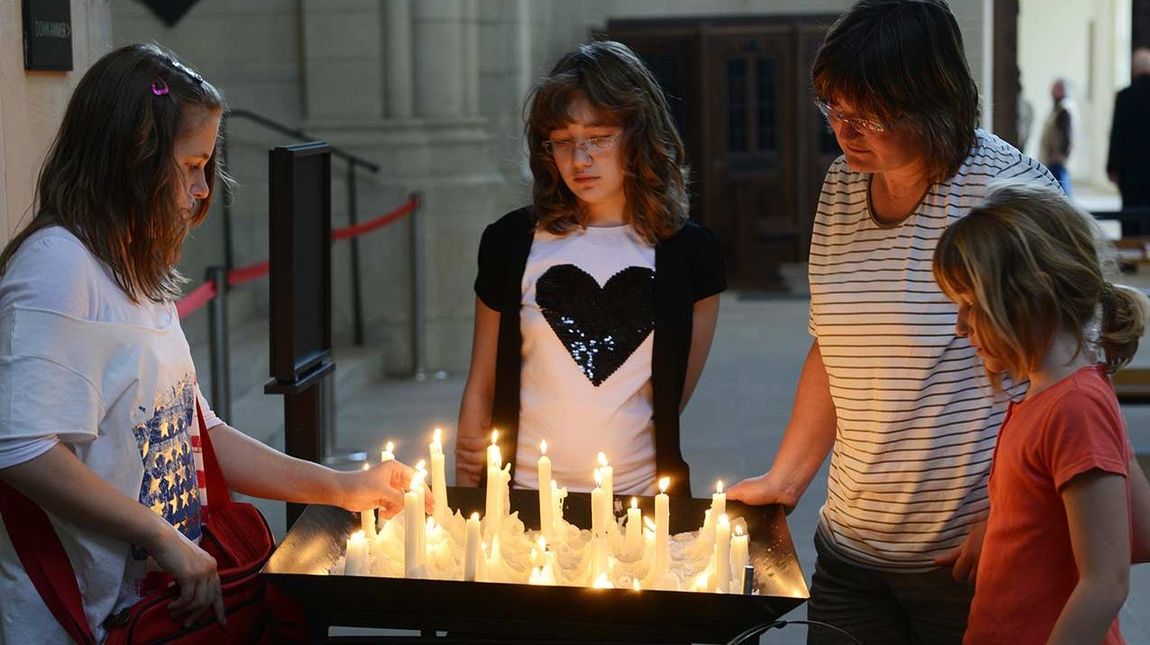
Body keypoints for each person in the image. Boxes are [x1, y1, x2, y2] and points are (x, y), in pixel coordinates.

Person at [0, 43, 425, 643]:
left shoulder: (130, 266)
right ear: (132, 158)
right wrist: (158, 535)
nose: (203, 190)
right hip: (80, 620)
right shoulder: (56, 266)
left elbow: (202, 433)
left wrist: (344, 487)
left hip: (156, 608)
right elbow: (20, 448)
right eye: (192, 164)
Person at [726, 1, 1059, 642]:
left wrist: (1018, 515)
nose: (845, 133)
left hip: (971, 556)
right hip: (852, 553)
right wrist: (786, 479)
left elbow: (1067, 375)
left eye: (869, 116)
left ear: (934, 103)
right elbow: (835, 346)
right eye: (833, 109)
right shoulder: (842, 186)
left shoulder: (1008, 194)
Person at [454, 40, 725, 497]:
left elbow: (671, 398)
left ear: (639, 136)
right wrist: (466, 495)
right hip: (522, 501)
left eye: (598, 138)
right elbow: (481, 383)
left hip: (641, 503)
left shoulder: (692, 254)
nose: (579, 161)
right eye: (563, 142)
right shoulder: (510, 242)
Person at [932, 181, 1150, 644]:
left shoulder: (1074, 407)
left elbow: (1105, 582)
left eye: (972, 306)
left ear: (1032, 293)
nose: (960, 325)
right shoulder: (1057, 394)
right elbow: (1141, 530)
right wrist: (1010, 530)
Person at [1108, 48, 1150, 232]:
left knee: (1131, 217)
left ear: (1134, 69)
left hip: (1131, 171)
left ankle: (1130, 258)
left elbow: (1117, 134)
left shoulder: (1125, 96)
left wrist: (1112, 166)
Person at [1039, 78, 1074, 196]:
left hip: (1056, 160)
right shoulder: (1058, 108)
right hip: (1053, 159)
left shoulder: (1064, 109)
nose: (1051, 92)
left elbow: (1067, 134)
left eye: (1054, 89)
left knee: (1062, 194)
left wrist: (1061, 153)